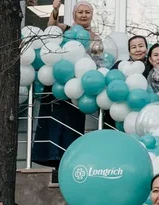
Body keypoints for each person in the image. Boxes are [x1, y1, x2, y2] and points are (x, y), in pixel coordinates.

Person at [34, 1, 99, 175]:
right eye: (80, 12)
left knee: (73, 126)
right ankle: (54, 161)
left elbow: (98, 59)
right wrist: (55, 8)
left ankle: (69, 163)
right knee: (54, 125)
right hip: (58, 83)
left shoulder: (95, 37)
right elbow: (51, 26)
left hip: (78, 88)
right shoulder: (67, 29)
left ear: (92, 15)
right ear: (74, 14)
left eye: (87, 12)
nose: (84, 15)